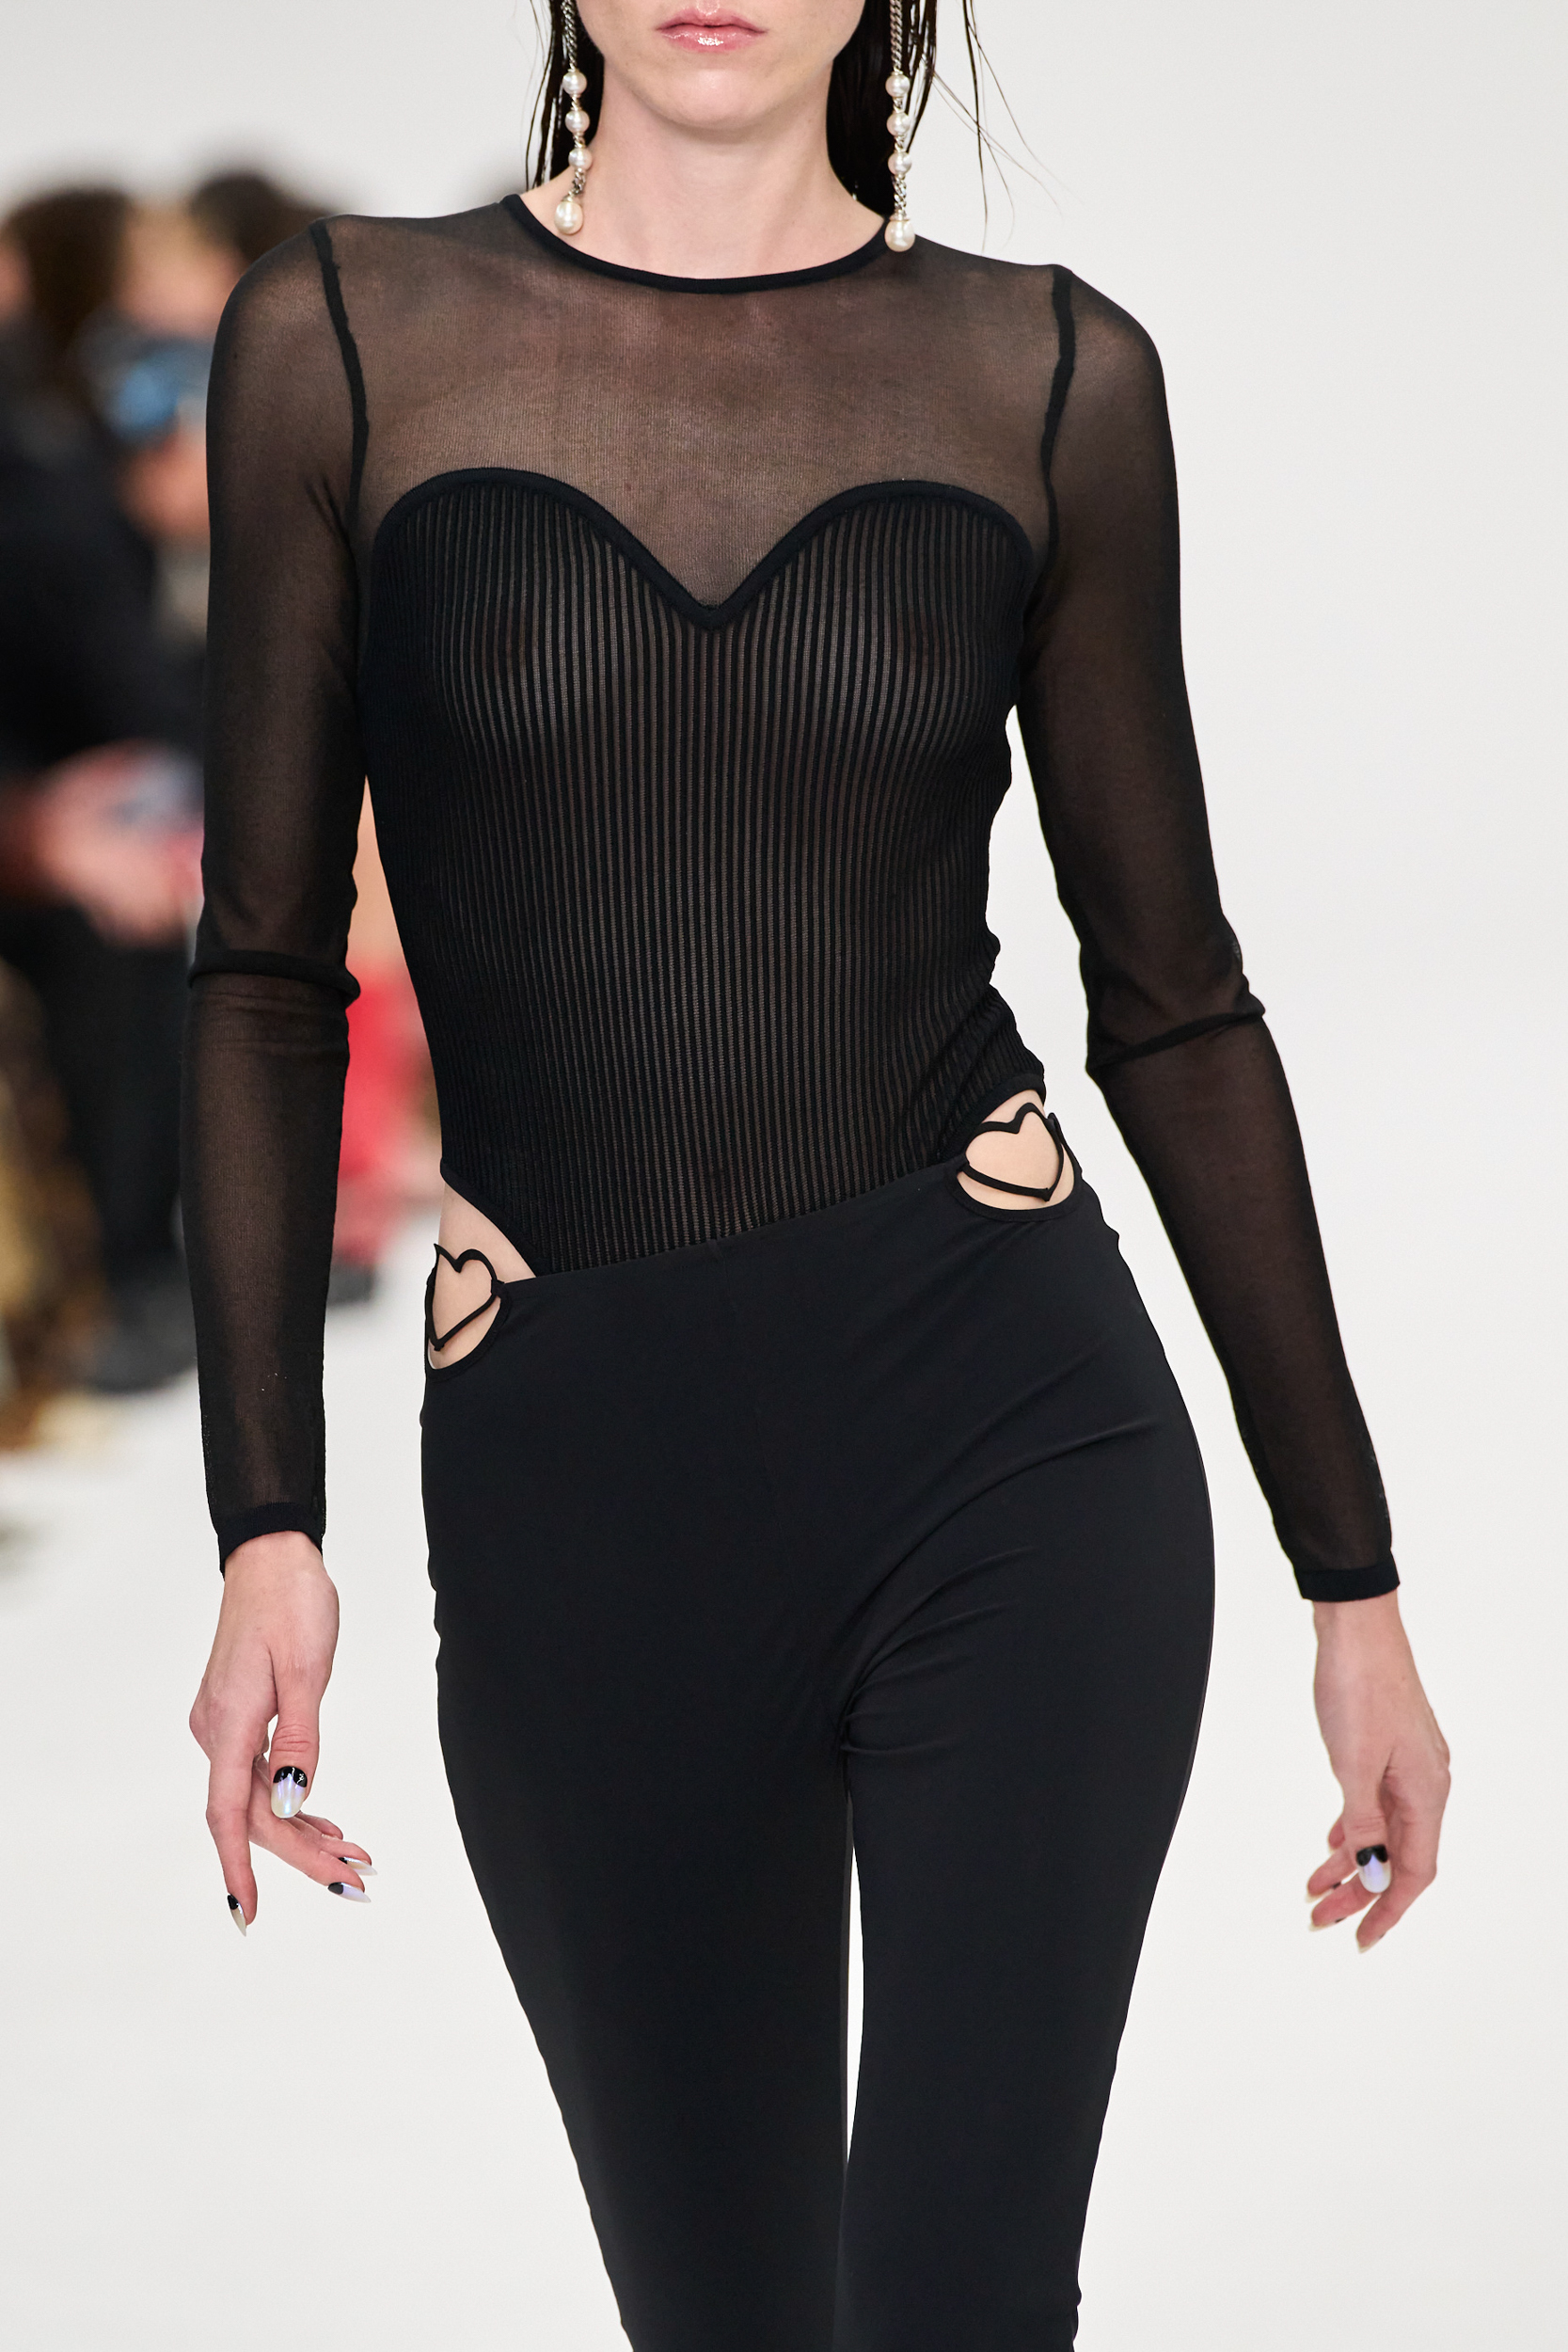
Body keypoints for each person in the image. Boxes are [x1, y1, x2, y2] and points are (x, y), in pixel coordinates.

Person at [186, 4, 1450, 2344]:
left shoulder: (1047, 375)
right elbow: (266, 976)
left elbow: (1173, 999)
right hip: (580, 1473)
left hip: (1004, 1426)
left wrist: (1349, 1577)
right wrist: (266, 1517)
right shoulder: (346, 339)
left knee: (962, 2299)